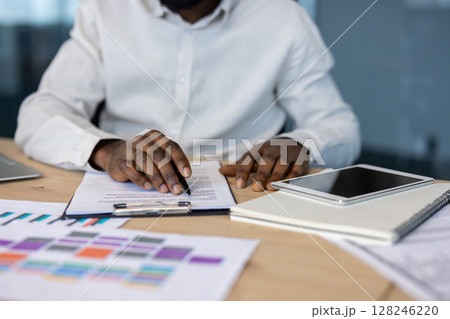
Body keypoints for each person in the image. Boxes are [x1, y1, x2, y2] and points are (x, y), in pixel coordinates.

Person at [15, 0, 360, 195]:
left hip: (243, 192)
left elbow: (339, 125)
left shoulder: (283, 17)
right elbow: (41, 112)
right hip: (127, 188)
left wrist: (296, 144)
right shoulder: (105, 8)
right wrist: (106, 150)